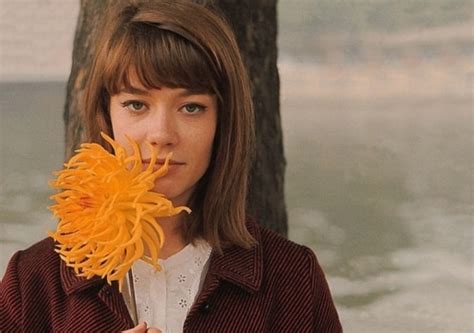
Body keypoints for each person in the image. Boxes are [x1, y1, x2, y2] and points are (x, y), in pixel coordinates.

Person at [0, 0, 342, 332]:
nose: (161, 134)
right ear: (107, 116)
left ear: (223, 123)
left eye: (191, 107)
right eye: (136, 104)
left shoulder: (293, 278)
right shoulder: (33, 282)